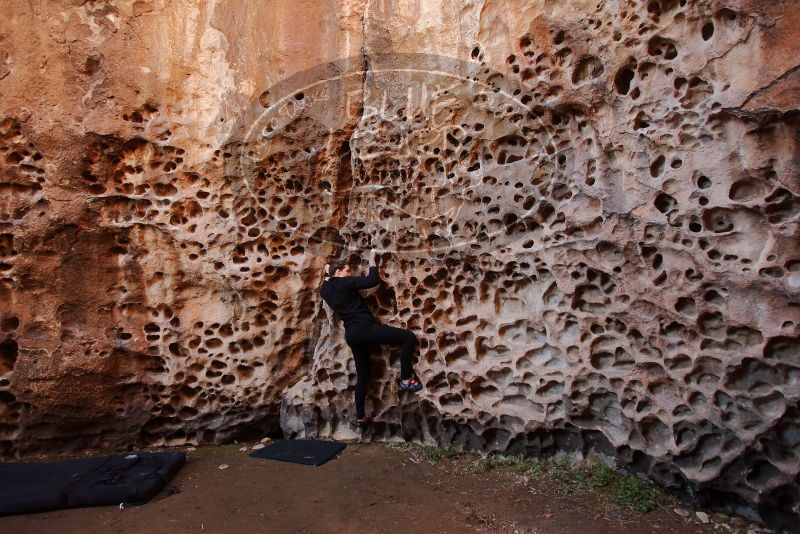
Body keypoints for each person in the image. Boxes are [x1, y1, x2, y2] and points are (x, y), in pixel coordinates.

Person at [320, 252, 423, 427]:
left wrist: (329, 271)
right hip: (365, 328)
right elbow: (372, 280)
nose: (349, 273)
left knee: (363, 376)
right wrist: (373, 263)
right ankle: (406, 378)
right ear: (338, 273)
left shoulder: (325, 290)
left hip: (352, 335)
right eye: (346, 270)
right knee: (408, 338)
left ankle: (360, 416)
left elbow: (329, 278)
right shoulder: (347, 282)